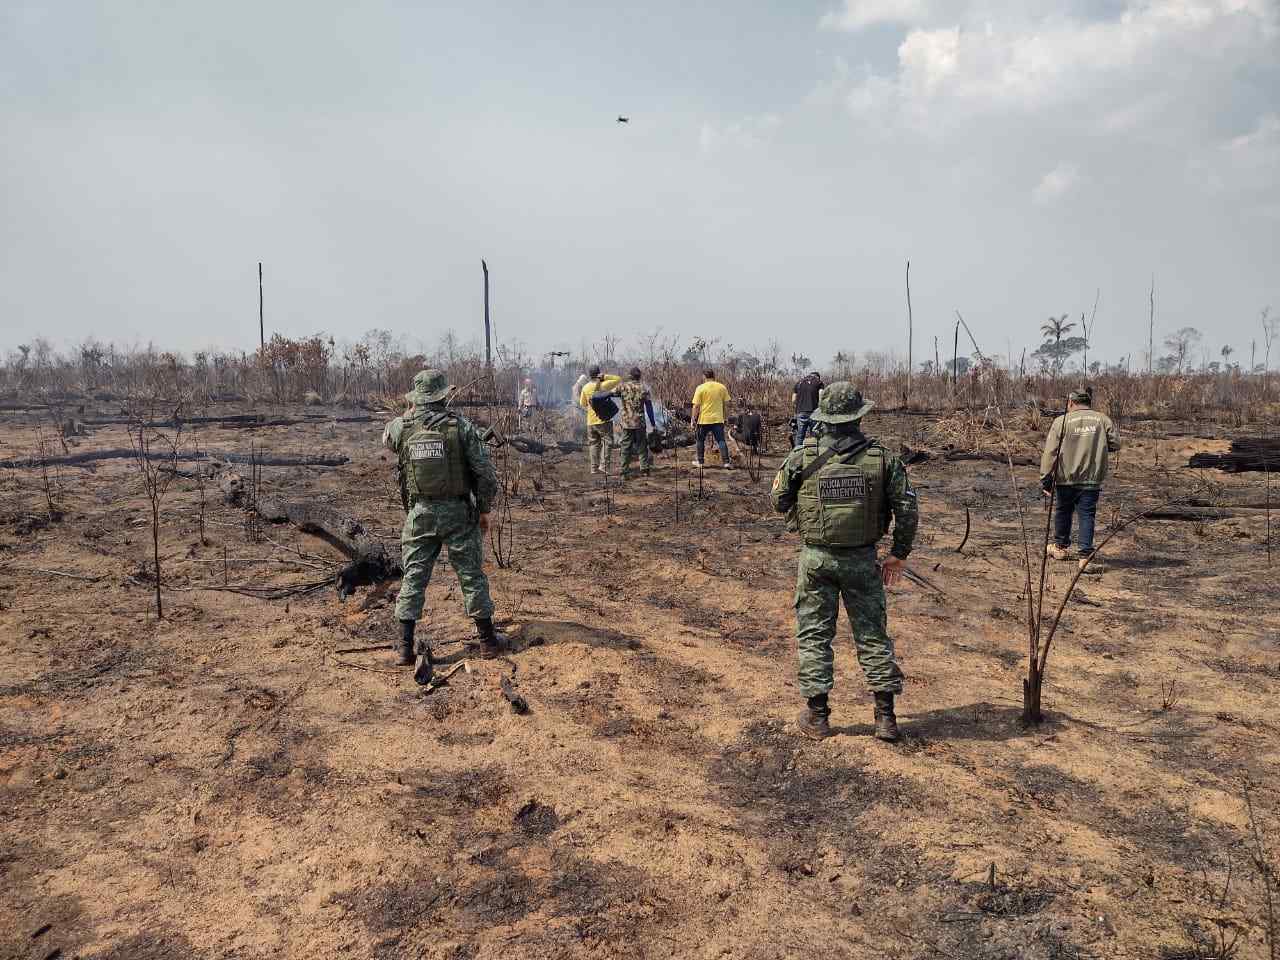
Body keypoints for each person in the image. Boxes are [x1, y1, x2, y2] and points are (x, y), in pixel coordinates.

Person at [769, 383, 919, 742]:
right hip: (863, 561)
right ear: (858, 416)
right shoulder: (882, 458)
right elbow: (908, 507)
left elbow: (777, 499)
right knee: (872, 635)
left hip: (816, 560)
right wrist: (898, 553)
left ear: (826, 417)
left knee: (814, 634)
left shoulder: (802, 456)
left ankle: (818, 717)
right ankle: (885, 718)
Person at [383, 369, 502, 683]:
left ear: (417, 398)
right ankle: (488, 642)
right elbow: (486, 475)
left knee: (414, 576)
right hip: (458, 513)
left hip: (420, 513)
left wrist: (410, 414)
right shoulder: (460, 426)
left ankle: (404, 650)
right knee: (471, 574)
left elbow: (388, 437)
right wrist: (484, 510)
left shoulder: (401, 427)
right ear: (443, 395)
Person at [1040, 386, 1121, 570]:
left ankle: (1060, 547)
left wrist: (1046, 477)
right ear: (1088, 403)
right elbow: (1116, 443)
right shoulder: (1102, 419)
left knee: (1063, 511)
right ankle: (1084, 556)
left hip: (1065, 478)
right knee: (1087, 514)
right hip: (1091, 479)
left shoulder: (1061, 421)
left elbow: (1050, 452)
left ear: (1071, 402)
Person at [579, 365, 622, 475]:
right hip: (603, 421)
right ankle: (604, 467)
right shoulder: (604, 385)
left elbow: (582, 404)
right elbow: (618, 379)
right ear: (598, 373)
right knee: (607, 443)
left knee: (593, 444)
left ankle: (594, 468)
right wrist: (604, 376)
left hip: (590, 422)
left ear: (589, 375)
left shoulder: (585, 387)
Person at [691, 369, 732, 469]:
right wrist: (725, 417)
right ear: (714, 376)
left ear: (704, 376)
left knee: (700, 440)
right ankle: (726, 463)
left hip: (703, 420)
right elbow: (726, 405)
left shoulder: (700, 388)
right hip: (718, 420)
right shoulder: (722, 387)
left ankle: (700, 462)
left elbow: (696, 406)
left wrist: (693, 419)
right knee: (721, 440)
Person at [617, 367, 654, 479]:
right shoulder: (644, 388)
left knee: (625, 447)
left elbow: (611, 393)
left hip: (626, 423)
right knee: (642, 446)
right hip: (640, 422)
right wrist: (652, 422)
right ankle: (644, 470)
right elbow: (649, 407)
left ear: (630, 376)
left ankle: (624, 472)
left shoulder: (622, 387)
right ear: (639, 376)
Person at [792, 371, 824, 448]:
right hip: (814, 413)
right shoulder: (819, 382)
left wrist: (798, 407)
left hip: (800, 412)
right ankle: (814, 456)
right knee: (814, 435)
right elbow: (821, 396)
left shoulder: (799, 383)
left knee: (800, 435)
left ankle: (797, 454)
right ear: (818, 377)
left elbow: (793, 400)